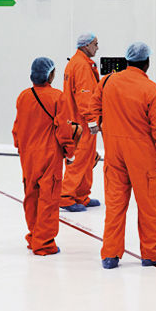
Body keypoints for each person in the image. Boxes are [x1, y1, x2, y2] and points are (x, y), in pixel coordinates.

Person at [85, 42, 156, 269]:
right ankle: (151, 254)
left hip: (114, 152)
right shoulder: (151, 90)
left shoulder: (106, 82)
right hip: (141, 155)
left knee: (115, 205)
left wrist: (96, 125)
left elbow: (92, 106)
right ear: (147, 63)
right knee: (148, 206)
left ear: (127, 60)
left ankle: (110, 255)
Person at [12, 57, 78, 256]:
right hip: (49, 155)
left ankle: (34, 235)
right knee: (48, 198)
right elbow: (63, 130)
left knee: (31, 195)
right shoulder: (58, 97)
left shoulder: (23, 96)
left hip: (28, 156)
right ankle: (45, 243)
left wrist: (20, 147)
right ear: (50, 74)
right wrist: (70, 152)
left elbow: (17, 128)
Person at [59, 33, 101, 212]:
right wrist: (92, 120)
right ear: (86, 46)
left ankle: (81, 194)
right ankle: (66, 197)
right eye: (95, 44)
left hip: (76, 120)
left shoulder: (76, 63)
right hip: (81, 122)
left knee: (87, 158)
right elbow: (84, 96)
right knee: (78, 160)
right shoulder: (82, 66)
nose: (97, 48)